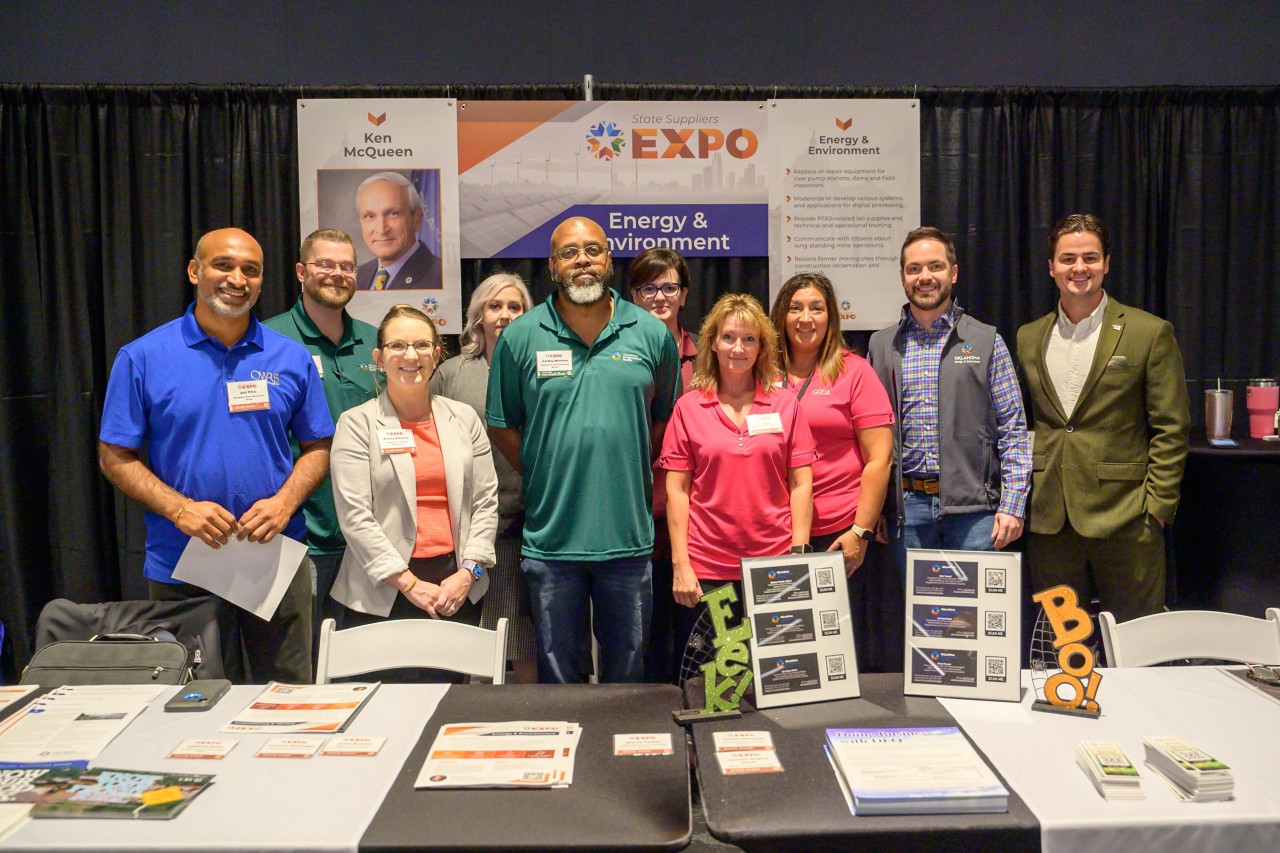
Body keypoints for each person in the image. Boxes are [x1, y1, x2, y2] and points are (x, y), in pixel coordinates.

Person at [98, 227, 333, 683]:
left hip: (274, 562)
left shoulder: (291, 358)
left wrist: (284, 504)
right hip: (183, 563)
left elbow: (318, 446)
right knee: (191, 706)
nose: (237, 279)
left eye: (251, 269)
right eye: (223, 265)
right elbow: (114, 455)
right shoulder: (143, 356)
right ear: (194, 271)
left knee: (287, 705)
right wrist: (180, 508)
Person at [486, 216, 681, 684]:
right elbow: (502, 425)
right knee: (560, 681)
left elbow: (664, 420)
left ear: (609, 259)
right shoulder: (520, 337)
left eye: (592, 250)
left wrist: (623, 461)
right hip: (552, 541)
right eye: (570, 253)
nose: (583, 262)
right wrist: (544, 467)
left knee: (628, 679)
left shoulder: (651, 334)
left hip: (628, 539)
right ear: (553, 265)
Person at [1016, 214, 1189, 623]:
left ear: (1107, 263)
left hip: (1127, 519)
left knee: (1138, 645)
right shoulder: (1028, 337)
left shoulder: (1149, 332)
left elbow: (1171, 427)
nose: (1079, 268)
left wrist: (1157, 507)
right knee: (1061, 649)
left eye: (1090, 257)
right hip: (1050, 520)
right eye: (1068, 258)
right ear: (1051, 267)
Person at [329, 304, 497, 677]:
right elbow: (355, 516)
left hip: (456, 587)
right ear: (379, 357)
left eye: (422, 345)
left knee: (449, 703)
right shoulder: (356, 424)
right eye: (397, 346)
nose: (410, 356)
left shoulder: (464, 418)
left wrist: (469, 572)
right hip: (383, 590)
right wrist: (407, 583)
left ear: (437, 354)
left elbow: (486, 502)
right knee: (383, 709)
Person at [868, 227, 1032, 579]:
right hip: (906, 514)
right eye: (914, 269)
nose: (924, 277)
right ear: (902, 277)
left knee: (972, 625)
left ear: (953, 274)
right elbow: (871, 438)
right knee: (923, 624)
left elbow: (1014, 428)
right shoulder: (881, 346)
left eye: (935, 267)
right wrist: (876, 508)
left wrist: (1013, 504)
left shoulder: (986, 341)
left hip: (975, 514)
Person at [660, 293, 815, 653]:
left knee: (776, 681)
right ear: (712, 342)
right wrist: (681, 565)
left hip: (774, 567)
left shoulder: (785, 405)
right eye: (728, 337)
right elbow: (677, 492)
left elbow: (801, 483)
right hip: (708, 569)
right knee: (712, 686)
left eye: (749, 339)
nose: (738, 348)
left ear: (762, 347)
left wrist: (799, 554)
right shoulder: (689, 408)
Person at [771, 273, 893, 670]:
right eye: (795, 308)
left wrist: (861, 531)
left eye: (817, 308)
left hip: (836, 535)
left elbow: (879, 458)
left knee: (833, 654)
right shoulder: (760, 372)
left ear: (831, 317)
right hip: (773, 532)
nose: (806, 318)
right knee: (784, 651)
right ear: (781, 316)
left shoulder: (854, 372)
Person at [264, 229, 377, 636]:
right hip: (302, 535)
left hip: (367, 538)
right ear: (300, 271)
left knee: (362, 662)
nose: (337, 274)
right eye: (325, 264)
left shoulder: (375, 341)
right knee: (300, 660)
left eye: (347, 266)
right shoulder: (268, 340)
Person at [431, 273, 538, 683]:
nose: (505, 316)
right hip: (464, 528)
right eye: (495, 307)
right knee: (463, 633)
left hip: (522, 524)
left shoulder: (541, 369)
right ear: (478, 315)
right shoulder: (453, 373)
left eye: (515, 307)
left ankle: (533, 713)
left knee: (518, 631)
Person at [626, 247, 698, 684]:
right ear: (633, 295)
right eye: (648, 288)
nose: (659, 297)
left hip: (696, 515)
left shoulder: (709, 357)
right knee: (645, 638)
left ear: (684, 294)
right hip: (637, 514)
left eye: (669, 287)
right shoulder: (618, 355)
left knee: (694, 636)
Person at [353, 172, 442, 291]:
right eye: (370, 216)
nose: (381, 229)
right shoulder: (356, 278)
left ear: (417, 219)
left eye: (393, 214)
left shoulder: (440, 278)